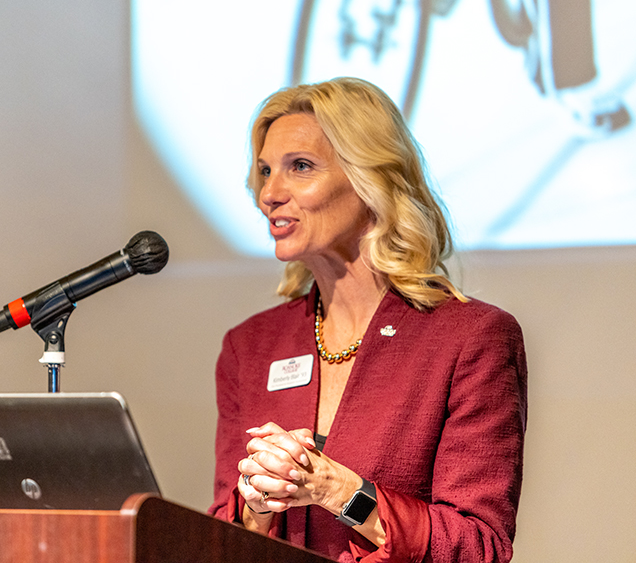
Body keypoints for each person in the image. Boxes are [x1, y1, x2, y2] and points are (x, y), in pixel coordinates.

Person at [208, 76, 528, 562]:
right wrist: (257, 506)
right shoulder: (250, 347)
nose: (269, 193)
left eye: (300, 167)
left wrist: (337, 489)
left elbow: (477, 547)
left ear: (370, 179)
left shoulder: (470, 338)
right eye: (264, 171)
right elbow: (219, 537)